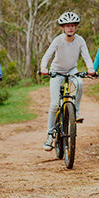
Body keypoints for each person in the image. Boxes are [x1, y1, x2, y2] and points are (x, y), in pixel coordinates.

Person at [40, 12, 95, 151]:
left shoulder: (80, 40)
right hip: (56, 71)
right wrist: (43, 68)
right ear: (62, 28)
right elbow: (47, 55)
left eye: (73, 25)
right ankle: (50, 135)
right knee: (54, 105)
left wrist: (90, 68)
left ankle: (75, 111)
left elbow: (87, 57)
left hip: (72, 70)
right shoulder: (58, 40)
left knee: (80, 83)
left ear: (76, 27)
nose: (70, 28)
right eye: (67, 26)